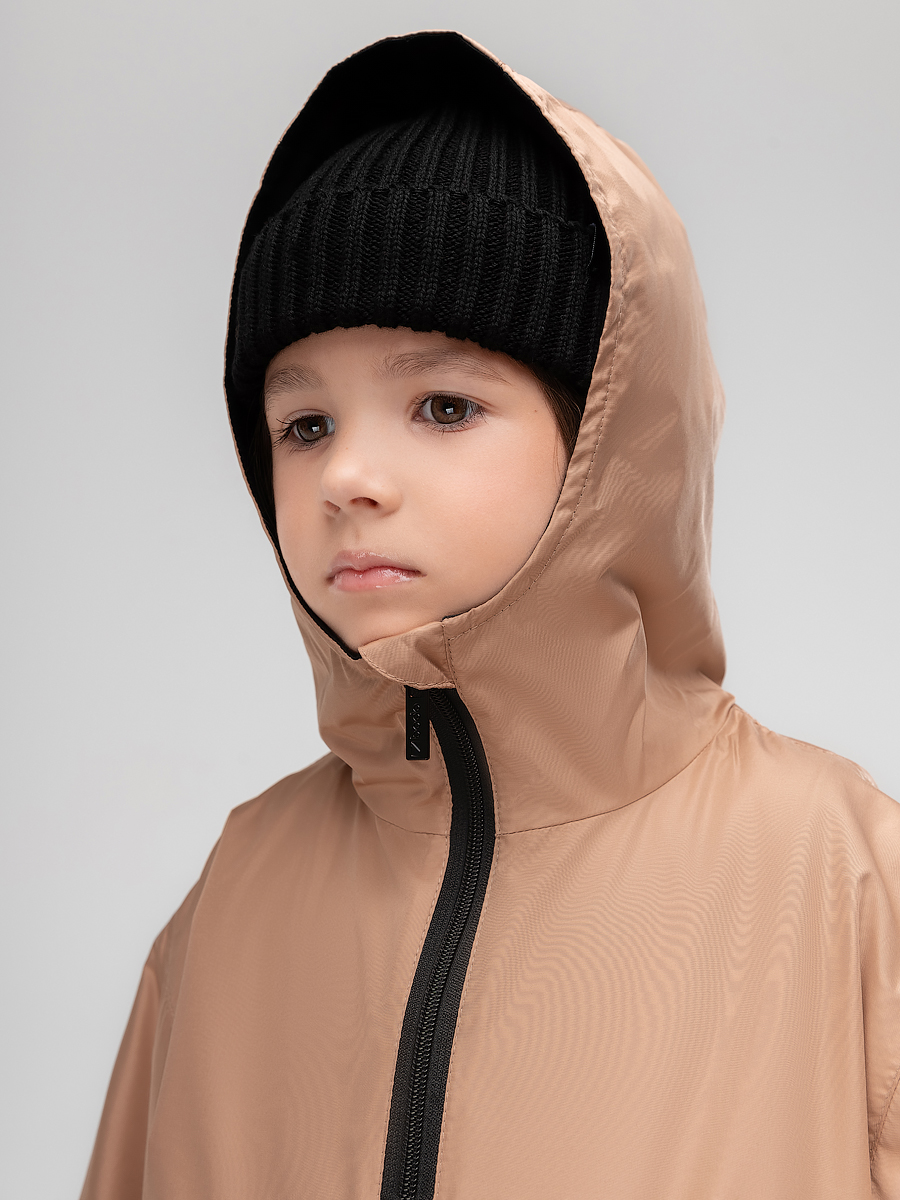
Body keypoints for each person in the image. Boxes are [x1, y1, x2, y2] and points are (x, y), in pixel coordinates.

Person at [80, 30, 900, 1200]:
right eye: (305, 425)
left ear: (608, 432)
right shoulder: (238, 895)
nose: (347, 476)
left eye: (444, 406)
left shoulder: (843, 877)